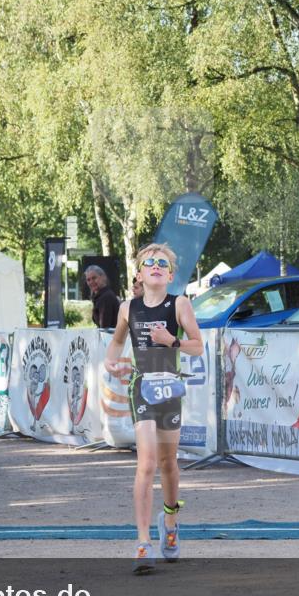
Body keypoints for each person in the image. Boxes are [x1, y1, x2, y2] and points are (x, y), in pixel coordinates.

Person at [104, 243, 204, 573]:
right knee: (146, 463)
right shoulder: (126, 308)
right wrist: (112, 363)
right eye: (150, 263)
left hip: (170, 388)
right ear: (140, 273)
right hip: (142, 387)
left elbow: (198, 346)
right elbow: (118, 341)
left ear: (171, 275)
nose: (157, 267)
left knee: (168, 463)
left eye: (163, 264)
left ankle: (171, 522)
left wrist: (171, 341)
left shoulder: (180, 305)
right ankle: (143, 542)